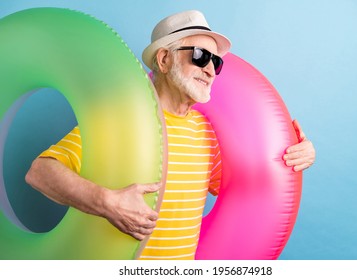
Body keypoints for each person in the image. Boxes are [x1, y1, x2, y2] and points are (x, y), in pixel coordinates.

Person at [25, 10, 315, 260]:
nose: (211, 70)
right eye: (201, 57)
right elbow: (39, 172)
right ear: (164, 60)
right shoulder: (123, 122)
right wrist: (107, 203)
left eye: (217, 62)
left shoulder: (206, 135)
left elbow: (248, 185)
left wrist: (295, 155)